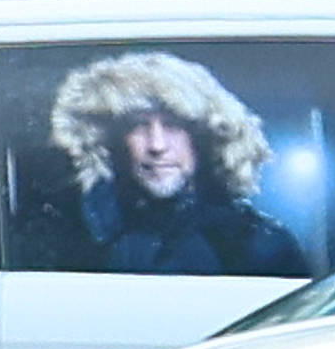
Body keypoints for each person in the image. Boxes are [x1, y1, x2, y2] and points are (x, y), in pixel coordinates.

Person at [43, 52, 305, 277]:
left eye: (172, 126)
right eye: (138, 125)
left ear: (205, 136)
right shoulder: (81, 242)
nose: (157, 145)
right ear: (111, 139)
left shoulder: (260, 244)